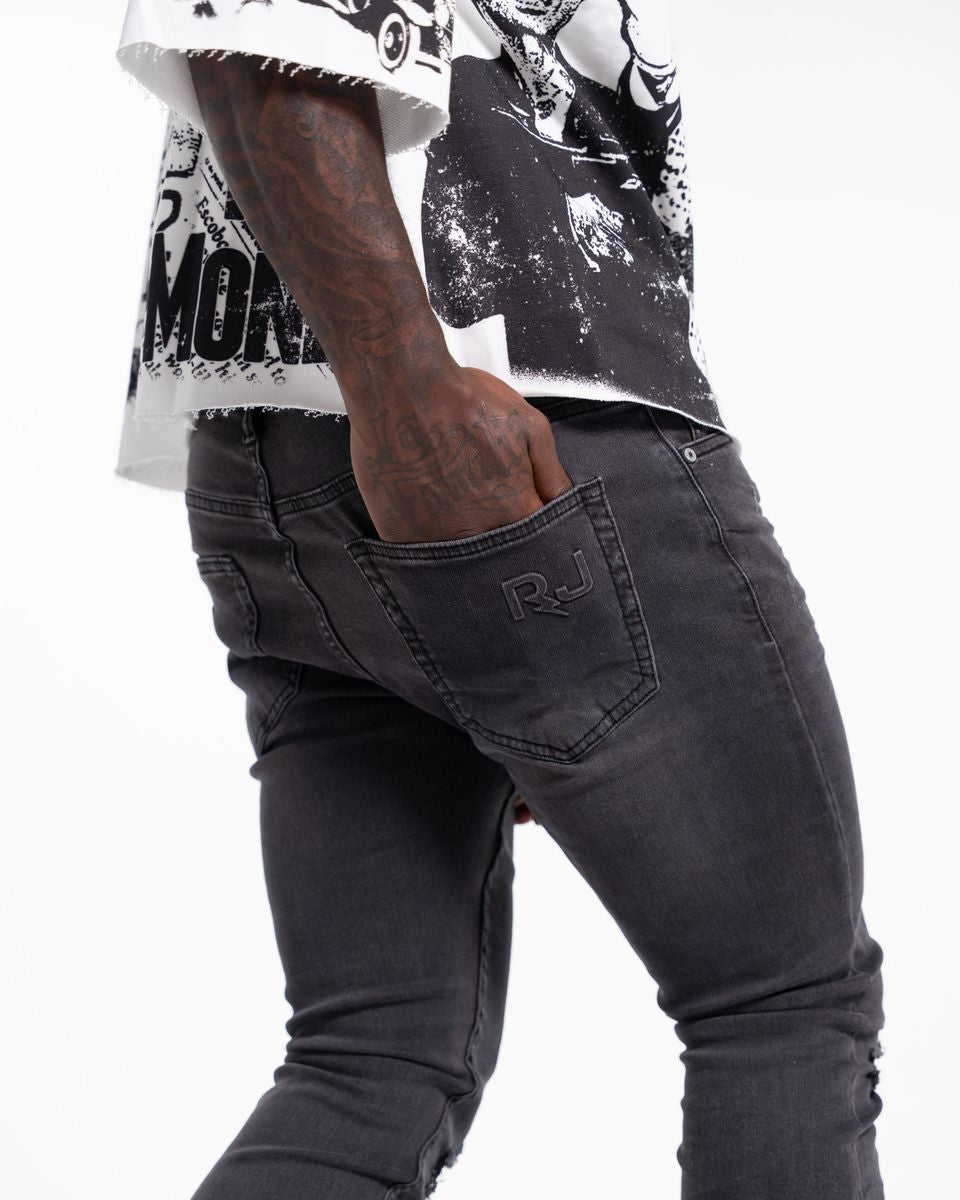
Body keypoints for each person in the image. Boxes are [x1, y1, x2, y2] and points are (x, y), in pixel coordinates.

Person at [115, 2, 885, 1197]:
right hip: (503, 403)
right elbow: (257, 19)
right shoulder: (437, 401)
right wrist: (406, 394)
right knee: (781, 1004)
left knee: (373, 1062)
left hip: (275, 445)